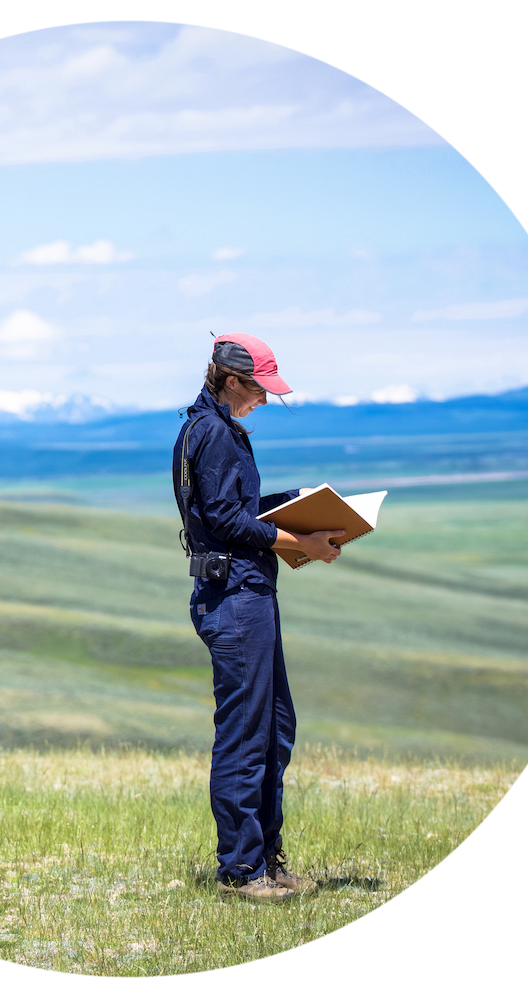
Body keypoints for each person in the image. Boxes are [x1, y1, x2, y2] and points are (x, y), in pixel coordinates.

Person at [173, 333, 345, 902]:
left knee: (274, 728)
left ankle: (266, 859)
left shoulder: (213, 430)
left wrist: (297, 504)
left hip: (245, 593)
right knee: (247, 736)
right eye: (259, 389)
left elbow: (233, 510)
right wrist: (297, 537)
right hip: (235, 598)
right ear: (229, 379)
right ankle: (242, 872)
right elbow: (225, 521)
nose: (265, 401)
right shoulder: (215, 435)